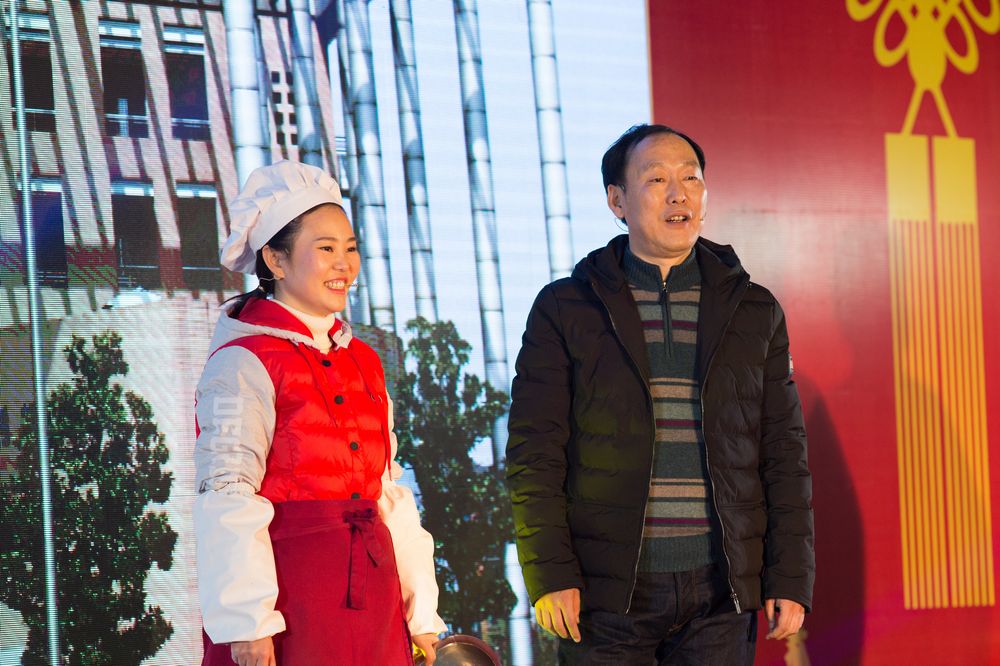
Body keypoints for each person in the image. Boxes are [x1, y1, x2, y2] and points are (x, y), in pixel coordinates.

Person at [506, 124, 814, 664]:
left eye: (691, 178)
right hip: (605, 597)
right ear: (617, 201)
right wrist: (550, 574)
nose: (679, 194)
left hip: (720, 593)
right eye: (656, 180)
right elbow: (535, 452)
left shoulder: (755, 309)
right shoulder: (565, 307)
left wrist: (788, 574)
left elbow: (783, 452)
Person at [193, 161, 447, 666]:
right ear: (275, 259)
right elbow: (227, 491)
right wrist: (247, 622)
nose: (344, 265)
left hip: (372, 591)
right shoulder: (243, 360)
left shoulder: (364, 359)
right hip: (290, 597)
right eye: (326, 248)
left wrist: (420, 611)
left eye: (350, 248)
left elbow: (386, 491)